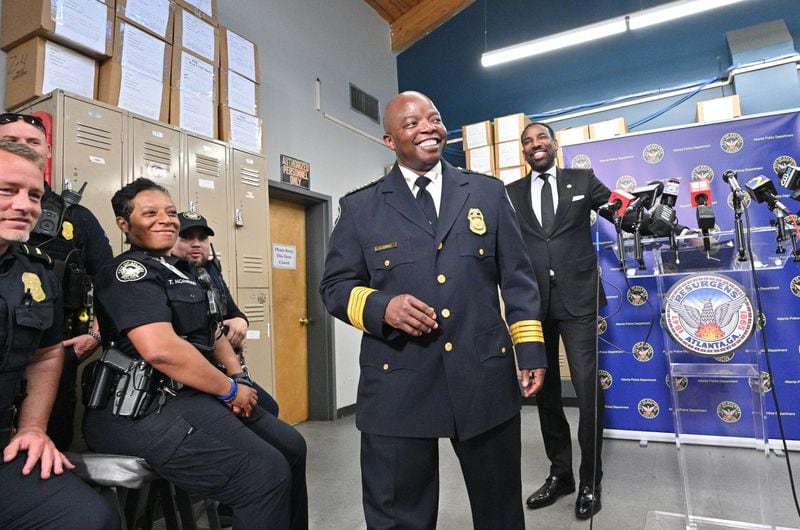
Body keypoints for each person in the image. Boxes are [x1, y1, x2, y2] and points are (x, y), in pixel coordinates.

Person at [320, 91, 547, 529]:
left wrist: (532, 351)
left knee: (500, 509)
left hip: (483, 375)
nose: (427, 127)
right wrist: (382, 307)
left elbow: (518, 279)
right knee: (398, 516)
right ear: (389, 140)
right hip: (398, 382)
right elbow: (334, 287)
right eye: (411, 123)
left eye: (434, 118)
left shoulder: (488, 193)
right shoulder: (360, 208)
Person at [83, 178, 307, 529]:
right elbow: (161, 351)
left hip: (190, 394)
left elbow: (213, 330)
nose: (166, 219)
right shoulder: (128, 273)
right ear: (124, 224)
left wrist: (237, 377)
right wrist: (230, 391)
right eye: (151, 213)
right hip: (140, 409)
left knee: (291, 447)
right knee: (264, 473)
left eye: (171, 212)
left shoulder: (185, 274)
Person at [0, 139, 120, 529]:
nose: (25, 205)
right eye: (7, 190)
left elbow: (46, 353)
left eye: (34, 195)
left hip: (5, 444)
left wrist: (33, 428)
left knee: (92, 517)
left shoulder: (36, 272)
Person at [505, 122, 608, 520]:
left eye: (541, 138)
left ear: (554, 144)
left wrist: (656, 223)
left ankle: (590, 480)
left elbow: (620, 212)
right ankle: (561, 473)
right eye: (527, 142)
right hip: (533, 304)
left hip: (579, 301)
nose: (535, 145)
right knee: (544, 393)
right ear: (524, 151)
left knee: (586, 389)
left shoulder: (582, 180)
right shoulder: (510, 193)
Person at [171, 211, 280, 416]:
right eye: (186, 237)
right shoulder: (168, 275)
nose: (196, 244)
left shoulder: (210, 271)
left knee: (269, 408)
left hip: (223, 364)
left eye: (202, 238)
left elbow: (233, 310)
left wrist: (240, 321)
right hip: (191, 372)